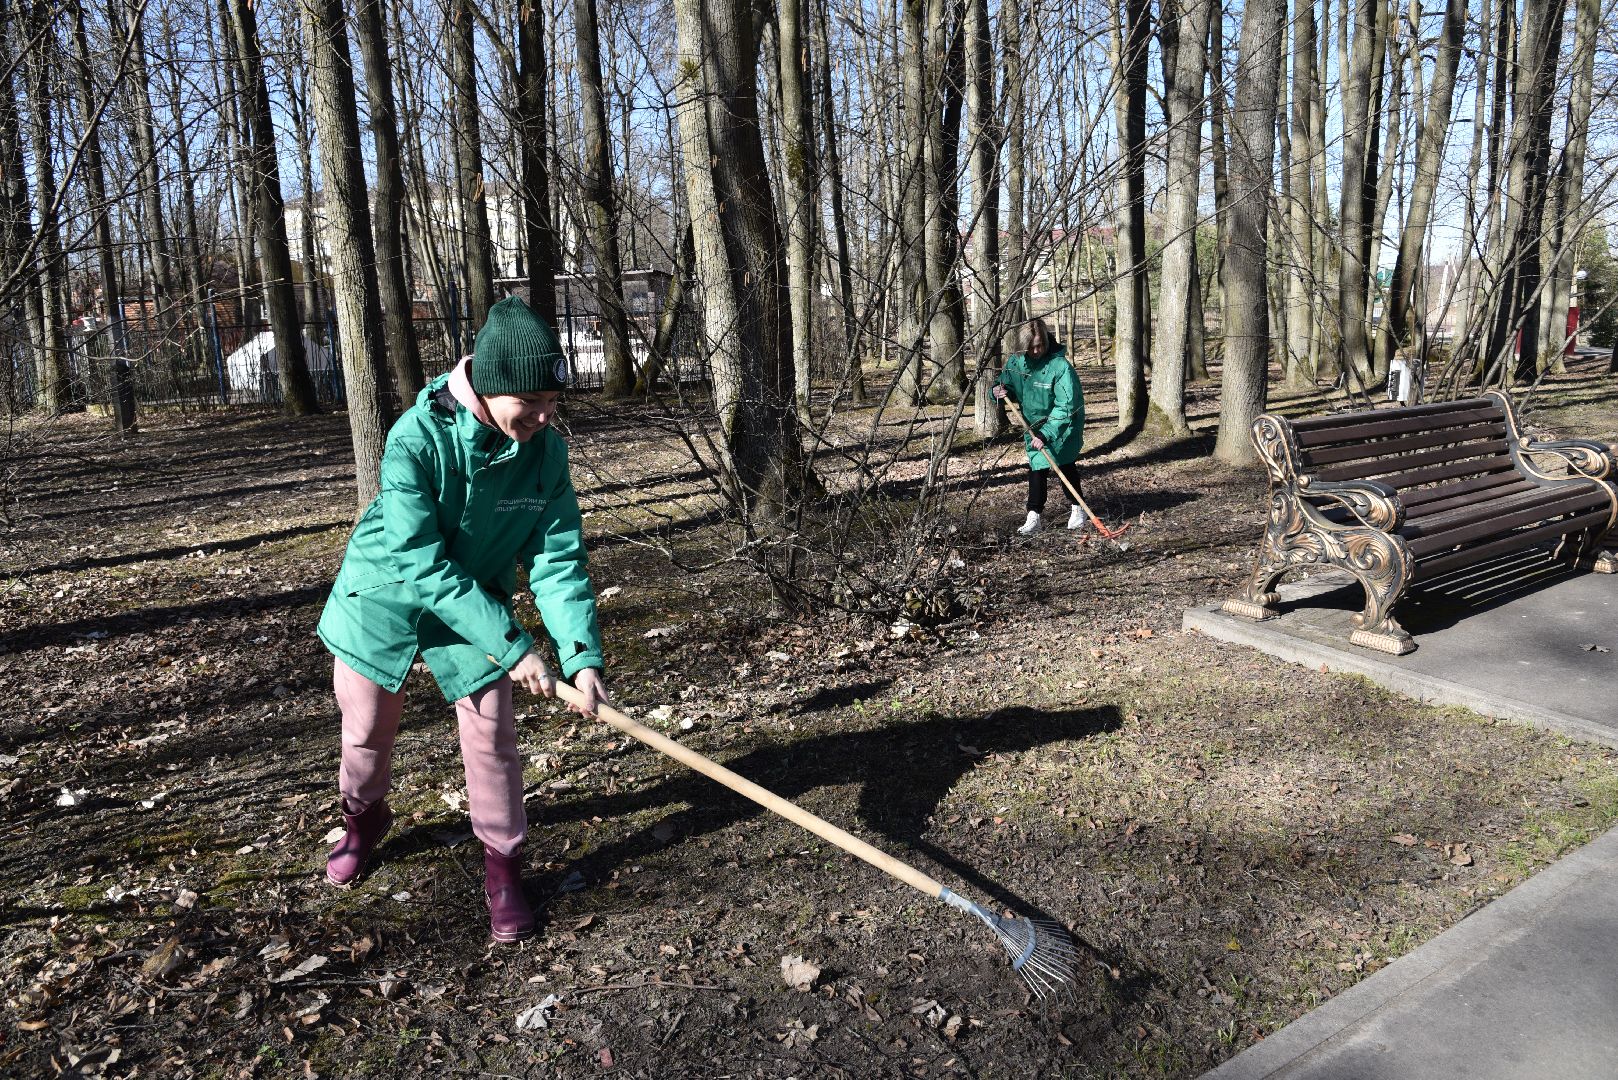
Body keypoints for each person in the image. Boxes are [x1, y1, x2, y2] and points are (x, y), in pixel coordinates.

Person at [316, 295, 609, 943]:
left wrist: (581, 656)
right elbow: (418, 561)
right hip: (385, 595)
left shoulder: (544, 454)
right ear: (490, 385)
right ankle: (363, 820)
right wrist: (512, 642)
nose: (541, 416)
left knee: (492, 735)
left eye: (553, 404)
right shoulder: (415, 438)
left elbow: (558, 562)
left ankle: (503, 866)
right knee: (366, 732)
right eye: (529, 402)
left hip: (472, 605)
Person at [993, 317, 1086, 536]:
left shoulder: (1059, 366)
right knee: (1037, 467)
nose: (1036, 351)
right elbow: (1004, 383)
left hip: (1063, 423)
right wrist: (997, 391)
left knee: (1064, 463)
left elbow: (1066, 405)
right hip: (1033, 424)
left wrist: (1047, 433)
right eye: (1031, 347)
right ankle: (1034, 515)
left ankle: (1078, 509)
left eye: (1040, 345)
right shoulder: (1016, 363)